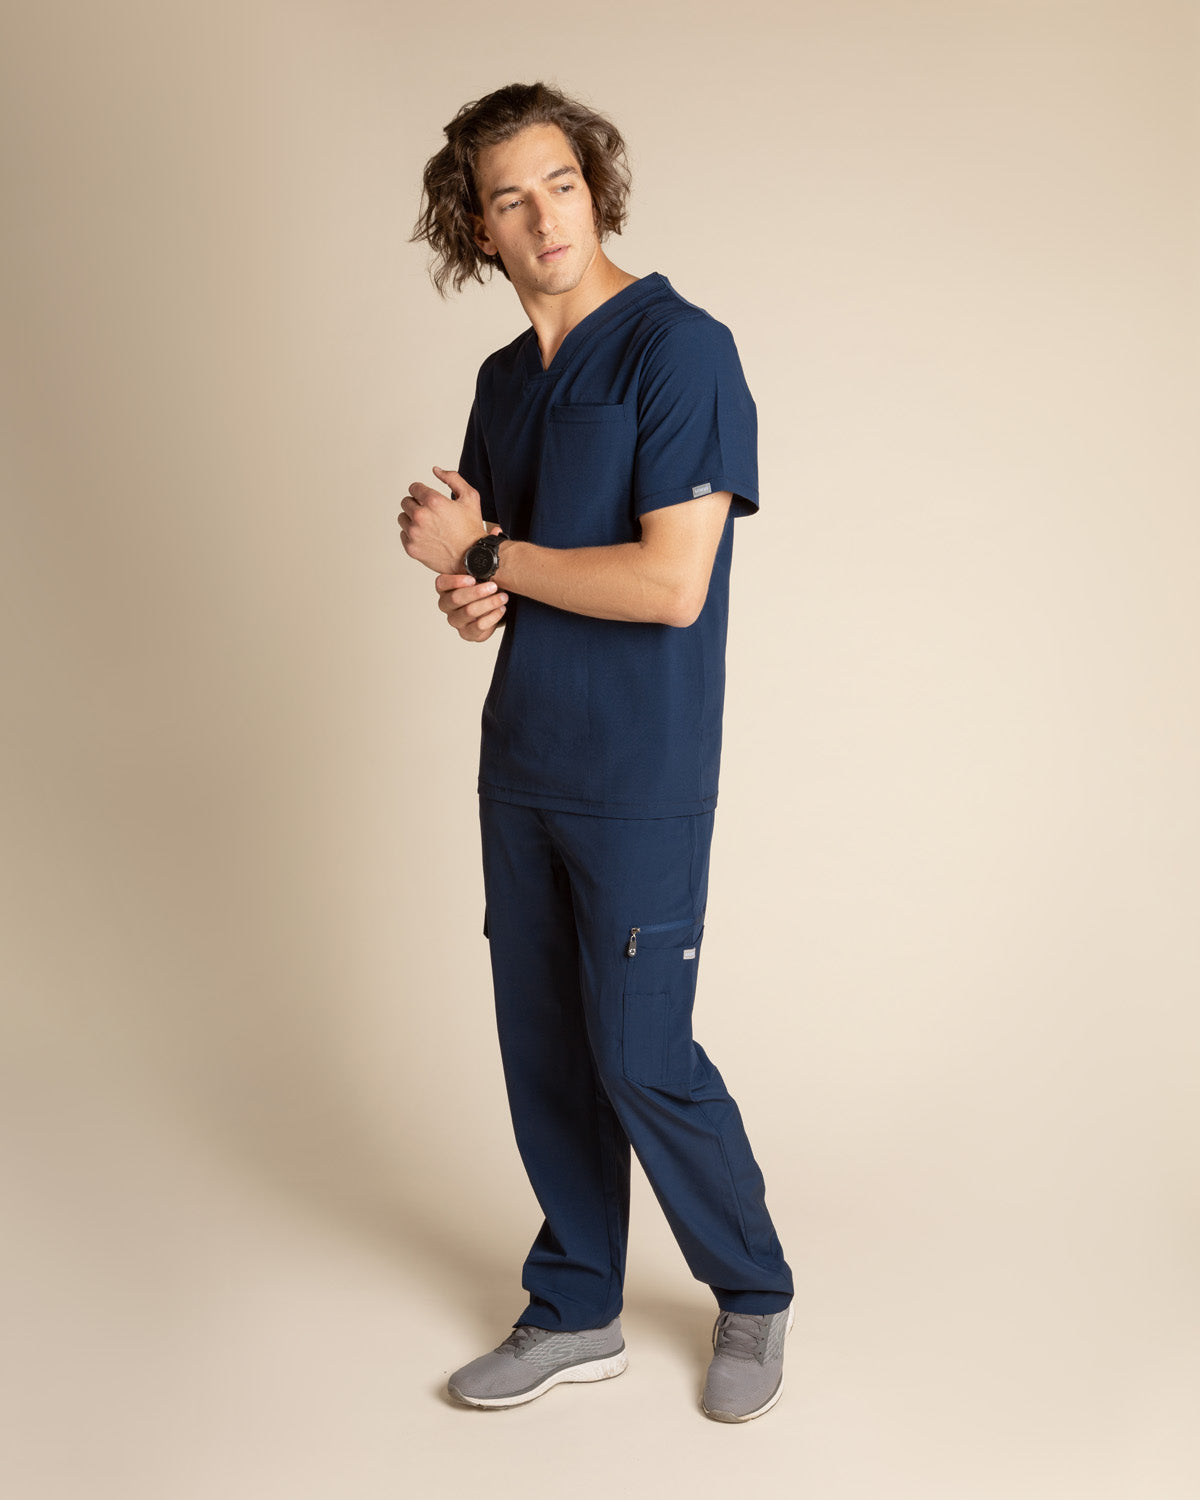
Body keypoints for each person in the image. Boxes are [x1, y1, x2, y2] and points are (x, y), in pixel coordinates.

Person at [399, 82, 793, 1423]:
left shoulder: (682, 351)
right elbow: (504, 577)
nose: (544, 216)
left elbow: (671, 584)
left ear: (596, 188)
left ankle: (753, 1291)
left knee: (639, 1054)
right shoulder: (503, 382)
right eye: (510, 198)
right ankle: (576, 1307)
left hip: (640, 772)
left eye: (561, 183)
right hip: (524, 763)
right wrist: (469, 593)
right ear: (480, 228)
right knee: (546, 1052)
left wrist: (488, 552)